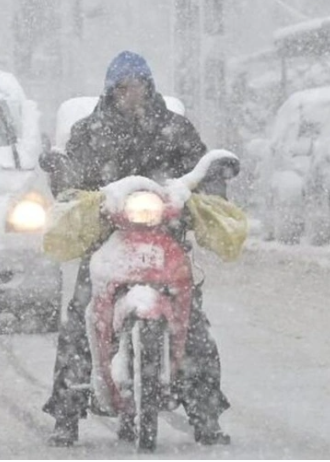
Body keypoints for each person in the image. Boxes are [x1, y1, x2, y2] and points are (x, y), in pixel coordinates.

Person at [41, 51, 232, 447]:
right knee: (80, 319)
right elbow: (71, 179)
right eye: (123, 88)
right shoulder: (89, 131)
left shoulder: (175, 129)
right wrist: (65, 180)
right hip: (105, 241)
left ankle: (206, 413)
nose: (132, 94)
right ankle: (66, 412)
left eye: (139, 86)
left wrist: (208, 184)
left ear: (150, 87)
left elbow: (199, 169)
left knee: (193, 322)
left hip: (166, 240)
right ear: (111, 91)